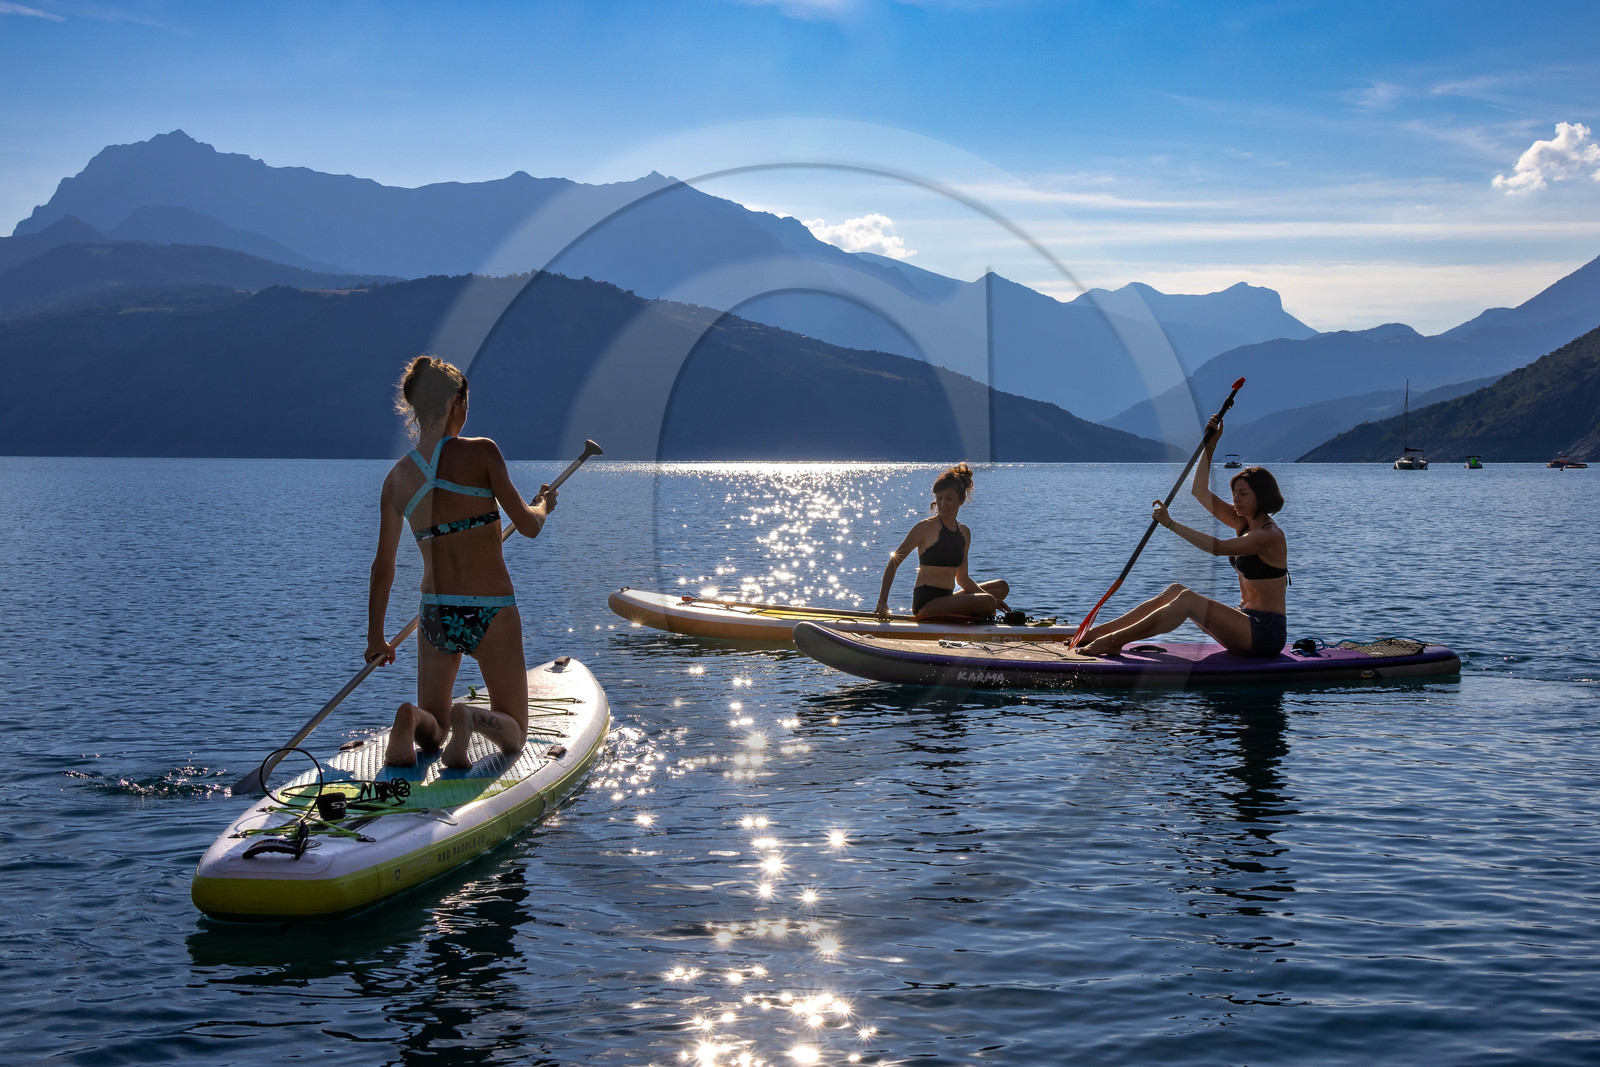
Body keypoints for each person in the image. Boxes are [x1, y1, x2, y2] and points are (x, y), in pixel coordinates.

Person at [366, 355, 558, 768]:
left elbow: (383, 567)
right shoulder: (482, 452)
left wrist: (375, 639)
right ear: (457, 400)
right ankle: (470, 717)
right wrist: (542, 505)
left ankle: (412, 719)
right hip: (491, 610)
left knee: (432, 729)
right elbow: (527, 525)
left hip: (436, 612)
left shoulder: (397, 479)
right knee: (515, 733)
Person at [1078, 416, 1288, 658]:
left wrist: (1170, 524)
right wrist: (1211, 445)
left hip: (1265, 633)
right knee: (1174, 590)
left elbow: (1218, 548)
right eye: (1234, 493)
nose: (1235, 500)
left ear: (1260, 496)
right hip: (1244, 620)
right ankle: (1095, 633)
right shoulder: (1243, 522)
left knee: (1187, 600)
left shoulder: (1269, 535)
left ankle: (1115, 641)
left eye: (1243, 494)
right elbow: (1198, 491)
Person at [874, 463, 1012, 621]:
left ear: (961, 500)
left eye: (948, 498)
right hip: (926, 604)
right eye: (939, 498)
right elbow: (894, 562)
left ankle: (973, 611)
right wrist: (882, 602)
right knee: (988, 601)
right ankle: (975, 614)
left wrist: (991, 600)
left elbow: (963, 579)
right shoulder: (924, 528)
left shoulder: (964, 533)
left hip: (948, 599)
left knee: (1001, 587)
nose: (942, 504)